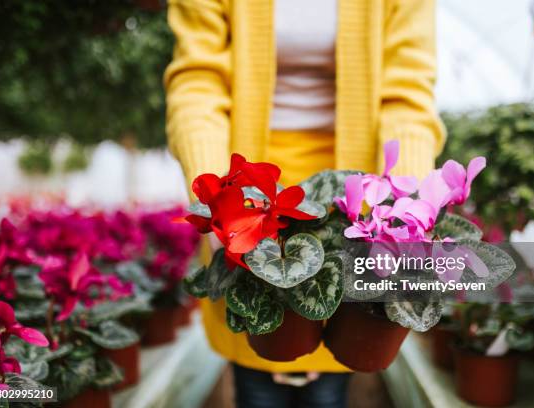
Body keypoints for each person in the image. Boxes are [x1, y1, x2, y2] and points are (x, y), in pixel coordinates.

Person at [165, 0, 445, 406]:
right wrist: (217, 197)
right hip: (244, 180)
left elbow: (407, 92)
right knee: (258, 376)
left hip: (356, 189)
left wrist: (408, 206)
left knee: (332, 378)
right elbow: (198, 82)